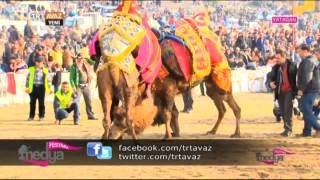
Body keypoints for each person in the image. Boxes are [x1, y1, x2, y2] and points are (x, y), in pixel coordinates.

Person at [269, 49, 297, 137]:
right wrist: (270, 83)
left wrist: (297, 91)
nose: (276, 60)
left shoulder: (292, 65)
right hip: (280, 92)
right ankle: (286, 128)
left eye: (278, 58)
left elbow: (297, 78)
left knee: (287, 110)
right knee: (283, 111)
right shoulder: (275, 67)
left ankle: (289, 129)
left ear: (284, 57)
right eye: (275, 58)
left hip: (289, 91)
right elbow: (270, 77)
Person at [297, 44, 320, 137]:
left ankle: (318, 128)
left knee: (305, 109)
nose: (298, 53)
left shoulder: (308, 61)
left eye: (299, 51)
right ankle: (307, 132)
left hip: (310, 89)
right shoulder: (311, 60)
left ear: (305, 51)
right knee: (307, 109)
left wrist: (301, 89)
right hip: (311, 89)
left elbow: (307, 77)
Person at [69, 53, 97, 120]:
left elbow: (93, 62)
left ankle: (90, 115)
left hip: (86, 85)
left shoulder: (86, 64)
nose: (81, 60)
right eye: (79, 58)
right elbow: (71, 78)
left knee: (89, 101)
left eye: (81, 58)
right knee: (76, 102)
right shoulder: (74, 66)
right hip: (78, 86)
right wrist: (73, 87)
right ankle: (76, 116)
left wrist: (86, 58)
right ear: (77, 58)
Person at [25, 55, 52, 121]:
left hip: (41, 88)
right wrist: (27, 87)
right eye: (37, 61)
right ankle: (31, 116)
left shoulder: (45, 70)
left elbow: (49, 80)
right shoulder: (31, 69)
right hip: (33, 87)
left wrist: (49, 88)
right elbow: (28, 79)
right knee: (32, 102)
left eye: (40, 62)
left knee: (41, 103)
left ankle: (41, 116)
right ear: (35, 62)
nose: (39, 63)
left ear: (43, 62)